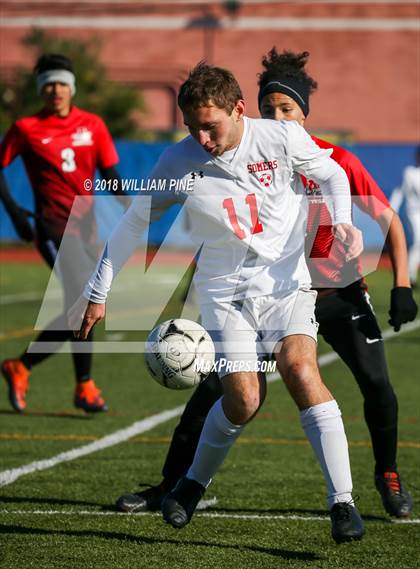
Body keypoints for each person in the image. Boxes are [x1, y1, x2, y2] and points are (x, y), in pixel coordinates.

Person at [114, 50, 417, 520]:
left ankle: (385, 477)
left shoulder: (330, 158)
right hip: (258, 290)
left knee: (373, 382)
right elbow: (216, 224)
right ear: (250, 109)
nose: (277, 117)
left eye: (286, 109)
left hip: (333, 291)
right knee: (225, 390)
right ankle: (175, 484)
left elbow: (385, 216)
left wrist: (399, 282)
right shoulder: (238, 148)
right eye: (269, 108)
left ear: (303, 113)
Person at [71, 62, 365, 543]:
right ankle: (191, 485)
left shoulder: (281, 138)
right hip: (224, 291)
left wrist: (342, 223)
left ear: (239, 109)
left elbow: (332, 177)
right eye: (192, 128)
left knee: (300, 370)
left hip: (286, 284)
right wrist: (97, 290)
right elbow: (132, 223)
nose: (203, 138)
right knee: (244, 397)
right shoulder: (178, 160)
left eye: (212, 125)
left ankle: (343, 502)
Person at [0, 53, 123, 413]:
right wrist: (17, 217)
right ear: (42, 89)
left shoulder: (94, 125)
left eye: (61, 83)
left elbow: (112, 175)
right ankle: (83, 385)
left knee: (82, 305)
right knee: (84, 302)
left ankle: (21, 366)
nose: (55, 90)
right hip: (53, 228)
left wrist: (135, 211)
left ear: (71, 88)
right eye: (48, 84)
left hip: (87, 229)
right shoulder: (25, 128)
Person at [390, 146, 420, 288]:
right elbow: (400, 192)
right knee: (418, 241)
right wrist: (392, 209)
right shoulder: (410, 172)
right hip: (413, 212)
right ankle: (409, 276)